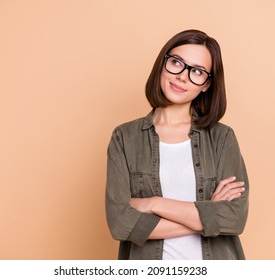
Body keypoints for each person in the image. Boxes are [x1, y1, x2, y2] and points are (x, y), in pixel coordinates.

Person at [105, 29, 249, 260]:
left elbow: (234, 218)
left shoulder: (222, 138)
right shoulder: (125, 137)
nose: (182, 76)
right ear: (162, 65)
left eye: (198, 72)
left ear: (206, 85)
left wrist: (153, 203)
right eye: (176, 62)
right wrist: (208, 214)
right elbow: (121, 224)